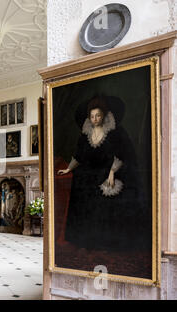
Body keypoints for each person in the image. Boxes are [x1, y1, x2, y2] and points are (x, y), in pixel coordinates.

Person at [57, 96, 149, 251]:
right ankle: (85, 241)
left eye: (98, 116)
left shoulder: (115, 132)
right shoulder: (85, 135)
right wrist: (68, 168)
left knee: (107, 199)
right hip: (89, 174)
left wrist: (112, 173)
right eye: (92, 116)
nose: (95, 119)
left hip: (109, 171)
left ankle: (107, 243)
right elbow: (79, 155)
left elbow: (122, 154)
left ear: (104, 115)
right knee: (80, 183)